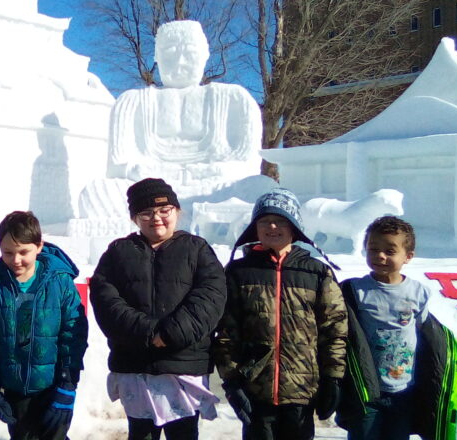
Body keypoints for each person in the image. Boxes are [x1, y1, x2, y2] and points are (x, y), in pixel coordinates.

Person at [90, 177, 226, 440]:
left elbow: (211, 296)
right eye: (146, 213)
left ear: (177, 211)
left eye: (165, 211)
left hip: (184, 365)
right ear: (134, 218)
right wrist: (148, 332)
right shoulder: (118, 252)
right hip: (135, 365)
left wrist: (171, 334)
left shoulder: (196, 249)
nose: (157, 219)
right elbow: (105, 299)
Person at [212, 188, 347, 440]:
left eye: (281, 220)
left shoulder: (316, 273)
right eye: (264, 220)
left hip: (302, 390)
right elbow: (225, 332)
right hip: (255, 390)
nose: (272, 226)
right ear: (255, 226)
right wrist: (231, 381)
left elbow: (335, 329)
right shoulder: (238, 272)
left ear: (294, 226)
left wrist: (333, 377)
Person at [336, 216, 457, 440]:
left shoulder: (419, 292)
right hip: (366, 392)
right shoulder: (355, 291)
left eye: (389, 251)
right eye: (373, 249)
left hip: (404, 392)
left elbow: (426, 338)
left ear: (408, 257)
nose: (380, 256)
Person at [0, 211, 88, 440]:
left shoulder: (59, 281)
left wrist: (68, 381)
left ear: (39, 246)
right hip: (15, 388)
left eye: (24, 252)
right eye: (8, 253)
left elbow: (73, 333)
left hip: (53, 385)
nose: (16, 260)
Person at [107, 20, 261, 183]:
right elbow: (117, 165)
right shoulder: (131, 102)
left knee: (258, 185)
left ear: (205, 55)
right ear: (157, 57)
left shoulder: (234, 99)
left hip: (213, 187)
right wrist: (140, 171)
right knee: (98, 190)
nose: (180, 62)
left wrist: (212, 171)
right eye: (169, 52)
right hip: (146, 193)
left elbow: (247, 163)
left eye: (190, 53)